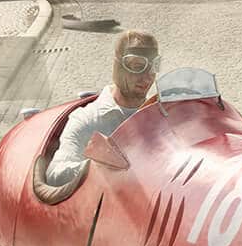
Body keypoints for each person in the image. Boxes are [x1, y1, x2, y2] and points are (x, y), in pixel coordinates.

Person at [46, 29, 160, 191]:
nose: (148, 76)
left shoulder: (161, 114)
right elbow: (54, 174)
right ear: (118, 67)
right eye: (137, 66)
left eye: (154, 66)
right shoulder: (88, 119)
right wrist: (96, 167)